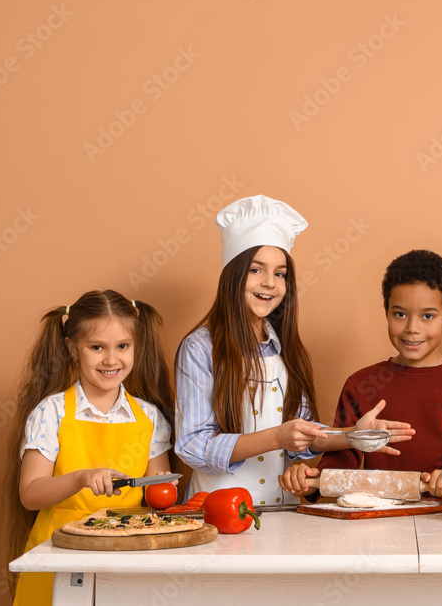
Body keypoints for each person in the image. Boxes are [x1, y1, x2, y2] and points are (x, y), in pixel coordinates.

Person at [175, 195, 411, 506]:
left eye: (280, 273)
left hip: (282, 510)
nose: (269, 283)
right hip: (217, 511)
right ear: (232, 274)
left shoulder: (287, 349)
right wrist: (275, 437)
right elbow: (193, 446)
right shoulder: (200, 348)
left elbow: (300, 440)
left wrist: (355, 434)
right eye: (256, 270)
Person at [2, 290, 176, 604]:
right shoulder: (51, 412)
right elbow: (30, 493)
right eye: (97, 347)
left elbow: (158, 493)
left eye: (123, 346)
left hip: (129, 555)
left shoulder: (150, 417)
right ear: (72, 348)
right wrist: (82, 478)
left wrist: (168, 491)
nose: (111, 359)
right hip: (59, 553)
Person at [280, 249, 442, 499]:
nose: (412, 328)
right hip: (378, 520)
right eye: (400, 314)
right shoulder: (361, 384)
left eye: (428, 316)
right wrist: (315, 481)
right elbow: (342, 457)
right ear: (386, 311)